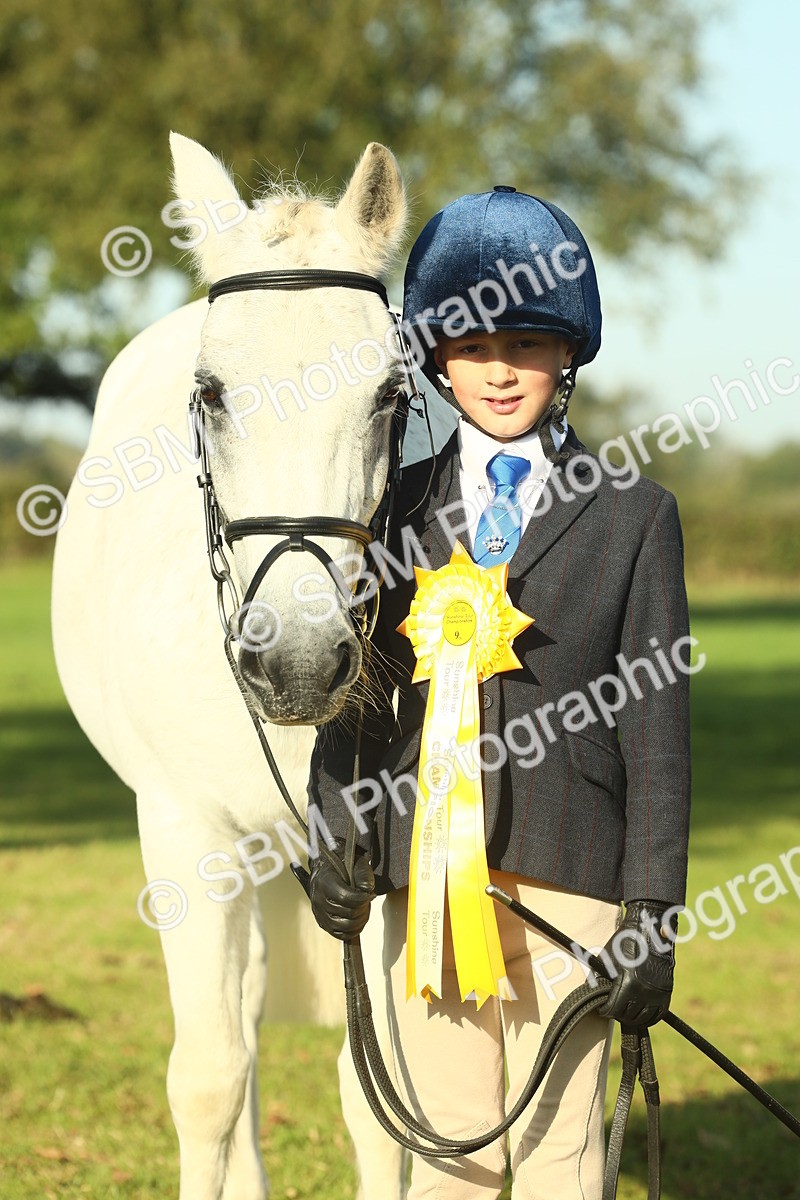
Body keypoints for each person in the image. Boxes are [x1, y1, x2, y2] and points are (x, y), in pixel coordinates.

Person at [306, 186, 691, 1199]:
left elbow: (658, 735)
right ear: (436, 358)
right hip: (422, 883)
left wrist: (651, 910)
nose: (499, 368)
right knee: (446, 1148)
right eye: (472, 345)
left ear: (566, 353)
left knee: (560, 1152)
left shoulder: (633, 515)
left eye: (525, 342)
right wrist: (327, 832)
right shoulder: (389, 508)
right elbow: (355, 695)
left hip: (574, 877)